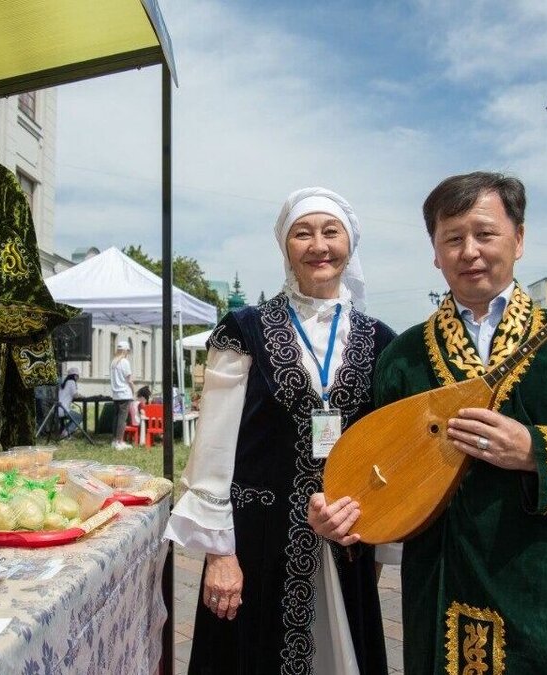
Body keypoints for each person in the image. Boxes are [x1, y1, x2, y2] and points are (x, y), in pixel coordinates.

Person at [310, 172, 547, 673]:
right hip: (447, 590)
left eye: (485, 234)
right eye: (452, 238)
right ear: (435, 252)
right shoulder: (403, 356)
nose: (469, 251)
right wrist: (340, 512)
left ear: (518, 239)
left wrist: (536, 451)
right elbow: (374, 462)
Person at [164, 187, 395, 673]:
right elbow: (213, 449)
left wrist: (380, 544)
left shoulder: (380, 340)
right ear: (284, 246)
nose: (319, 245)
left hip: (347, 539)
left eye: (331, 232)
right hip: (257, 540)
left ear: (349, 243)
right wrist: (219, 555)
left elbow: (389, 452)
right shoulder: (244, 329)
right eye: (302, 234)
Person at [109, 341, 135, 449]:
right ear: (125, 350)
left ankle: (115, 440)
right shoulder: (124, 362)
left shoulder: (113, 362)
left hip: (116, 394)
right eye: (128, 351)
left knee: (116, 417)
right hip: (124, 393)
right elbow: (129, 379)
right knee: (122, 419)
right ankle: (119, 442)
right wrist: (134, 390)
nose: (128, 353)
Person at [57, 366, 82, 437]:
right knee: (79, 417)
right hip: (64, 409)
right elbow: (75, 395)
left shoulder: (64, 383)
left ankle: (65, 430)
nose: (78, 378)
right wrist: (80, 395)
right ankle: (66, 432)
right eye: (77, 376)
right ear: (74, 376)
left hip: (58, 409)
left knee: (74, 417)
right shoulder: (71, 382)